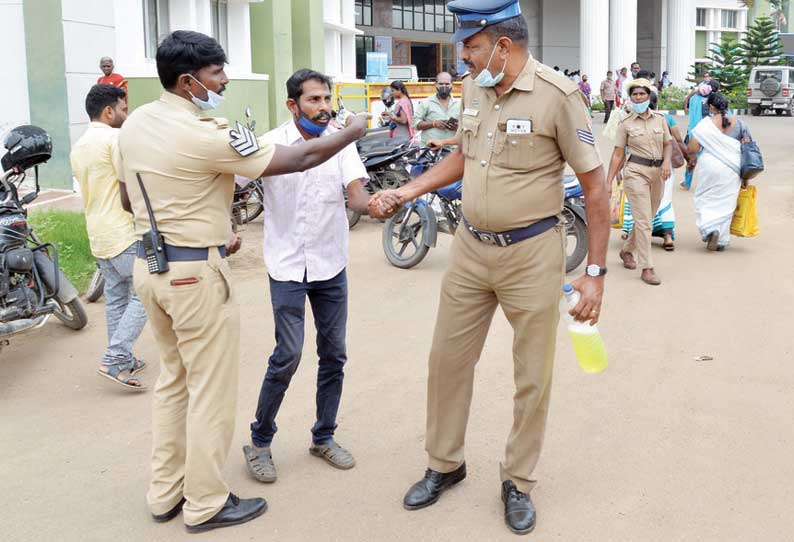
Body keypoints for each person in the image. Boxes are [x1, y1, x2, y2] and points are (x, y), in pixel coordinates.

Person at [116, 30, 370, 534]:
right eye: (216, 74)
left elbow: (127, 199)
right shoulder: (209, 132)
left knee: (175, 384)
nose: (225, 81)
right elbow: (297, 159)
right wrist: (352, 130)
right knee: (210, 391)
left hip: (152, 267)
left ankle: (165, 493)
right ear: (188, 82)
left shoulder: (138, 122)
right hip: (195, 276)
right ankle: (206, 502)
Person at [372, 0, 610, 534]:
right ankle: (445, 463)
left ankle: (518, 481)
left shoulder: (559, 96)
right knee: (447, 361)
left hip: (531, 255)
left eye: (471, 46)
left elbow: (595, 186)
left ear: (503, 45)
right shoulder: (478, 87)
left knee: (533, 376)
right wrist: (409, 189)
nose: (463, 57)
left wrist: (595, 274)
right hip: (470, 252)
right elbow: (463, 153)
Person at [242, 69, 370, 483]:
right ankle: (259, 441)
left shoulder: (339, 139)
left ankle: (323, 436)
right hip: (287, 266)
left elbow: (357, 195)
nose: (324, 107)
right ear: (292, 104)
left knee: (334, 354)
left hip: (330, 265)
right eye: (314, 99)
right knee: (288, 354)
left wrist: (380, 203)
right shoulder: (269, 144)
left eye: (326, 98)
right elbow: (231, 182)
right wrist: (222, 225)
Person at [70, 84, 147, 390]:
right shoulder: (115, 139)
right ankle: (115, 357)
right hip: (123, 232)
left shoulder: (79, 146)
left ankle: (123, 360)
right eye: (124, 109)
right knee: (146, 292)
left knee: (117, 298)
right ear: (109, 111)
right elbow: (131, 183)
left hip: (98, 233)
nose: (126, 115)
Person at [606, 78, 672, 285]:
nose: (638, 97)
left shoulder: (660, 119)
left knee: (648, 218)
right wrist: (608, 181)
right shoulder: (625, 124)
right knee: (643, 221)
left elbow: (668, 144)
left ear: (648, 96)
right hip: (635, 172)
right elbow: (618, 154)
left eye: (642, 94)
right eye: (635, 95)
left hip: (658, 173)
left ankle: (626, 250)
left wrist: (666, 163)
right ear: (631, 98)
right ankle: (647, 267)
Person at [621, 92, 689, 251]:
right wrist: (688, 158)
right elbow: (676, 140)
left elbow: (623, 148)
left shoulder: (629, 120)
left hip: (641, 166)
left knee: (639, 202)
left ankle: (632, 236)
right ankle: (666, 236)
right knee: (664, 199)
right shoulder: (666, 118)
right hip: (663, 166)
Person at [687, 92, 750, 251]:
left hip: (710, 165)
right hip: (732, 167)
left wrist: (691, 161)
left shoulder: (704, 124)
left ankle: (710, 229)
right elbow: (747, 148)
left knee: (706, 197)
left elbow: (692, 148)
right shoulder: (740, 124)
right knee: (727, 201)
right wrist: (746, 176)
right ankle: (721, 238)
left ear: (711, 107)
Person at [681, 79, 720, 190]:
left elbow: (688, 102)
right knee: (709, 160)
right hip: (709, 134)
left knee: (691, 159)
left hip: (693, 133)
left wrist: (695, 91)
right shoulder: (715, 101)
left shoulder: (694, 98)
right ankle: (709, 185)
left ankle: (687, 182)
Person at [412, 72, 462, 147]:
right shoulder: (426, 103)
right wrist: (433, 123)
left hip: (452, 152)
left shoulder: (459, 104)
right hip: (430, 150)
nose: (444, 86)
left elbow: (467, 126)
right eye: (441, 84)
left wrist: (458, 127)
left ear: (452, 85)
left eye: (447, 84)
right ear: (436, 85)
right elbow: (415, 124)